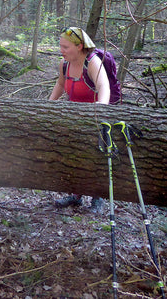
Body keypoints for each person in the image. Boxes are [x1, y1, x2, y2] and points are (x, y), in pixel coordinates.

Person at [49, 27, 110, 212]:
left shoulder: (93, 63)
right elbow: (60, 84)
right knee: (72, 155)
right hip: (73, 117)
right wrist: (48, 105)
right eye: (60, 46)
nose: (62, 50)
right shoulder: (64, 64)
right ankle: (76, 194)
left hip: (94, 117)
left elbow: (104, 87)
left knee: (94, 158)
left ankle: (98, 197)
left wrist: (100, 110)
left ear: (79, 46)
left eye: (66, 47)